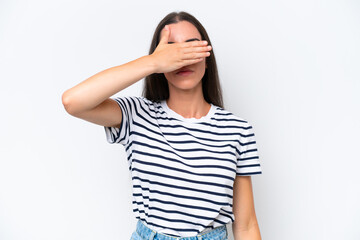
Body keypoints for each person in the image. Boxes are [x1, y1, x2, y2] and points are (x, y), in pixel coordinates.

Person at [62, 11, 262, 240]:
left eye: (191, 47)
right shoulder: (137, 114)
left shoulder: (237, 130)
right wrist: (153, 62)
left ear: (207, 57)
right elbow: (73, 102)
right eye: (171, 50)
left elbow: (246, 225)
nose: (182, 57)